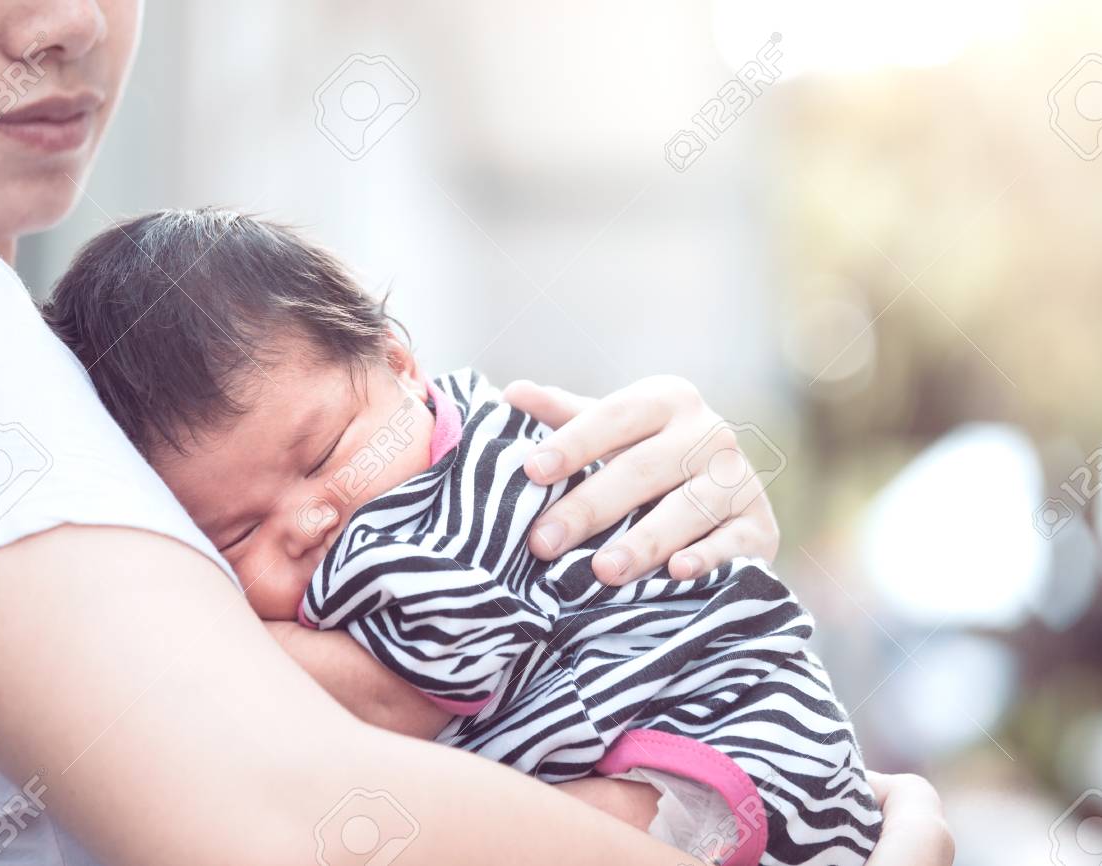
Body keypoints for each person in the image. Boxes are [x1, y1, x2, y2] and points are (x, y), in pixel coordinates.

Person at [0, 2, 954, 865]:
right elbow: (294, 810)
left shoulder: (6, 344)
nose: (70, 21)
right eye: (231, 534)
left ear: (399, 362)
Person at [43, 208, 884, 866]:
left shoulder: (462, 491)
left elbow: (402, 692)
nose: (307, 523)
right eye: (235, 533)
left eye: (326, 453)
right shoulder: (395, 463)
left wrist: (188, 633)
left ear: (401, 367)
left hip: (727, 756)